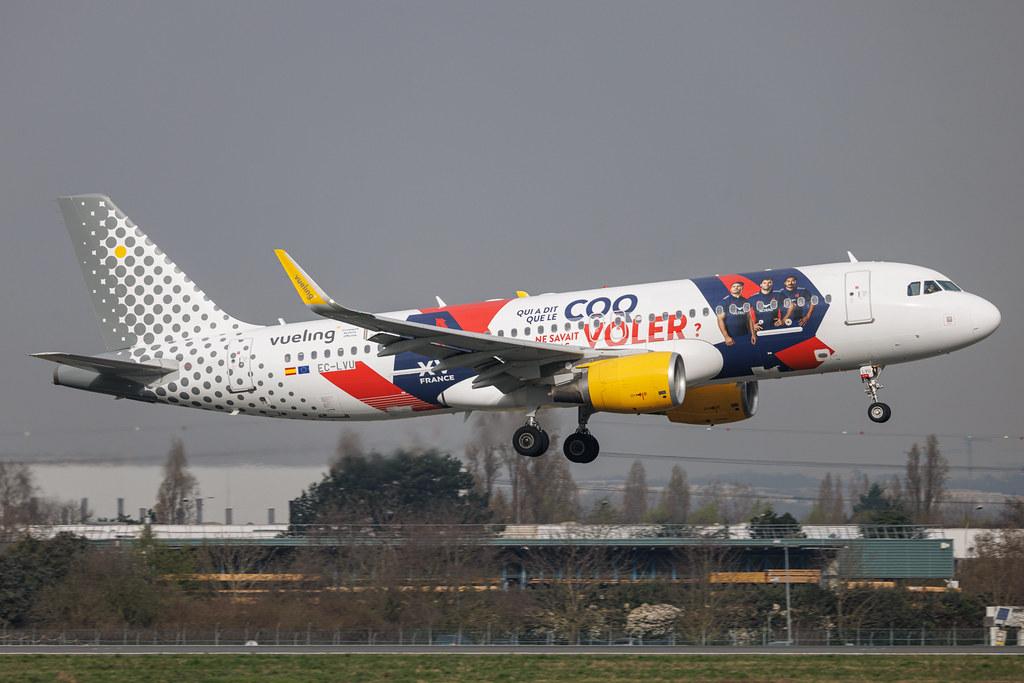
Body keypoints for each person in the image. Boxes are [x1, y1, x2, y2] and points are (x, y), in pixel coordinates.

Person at [716, 281, 755, 346]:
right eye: (734, 286)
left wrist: (753, 334)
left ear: (741, 288)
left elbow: (749, 318)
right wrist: (726, 337)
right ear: (730, 289)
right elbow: (720, 319)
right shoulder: (725, 301)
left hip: (746, 334)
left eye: (738, 286)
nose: (736, 288)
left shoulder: (745, 301)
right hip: (732, 337)